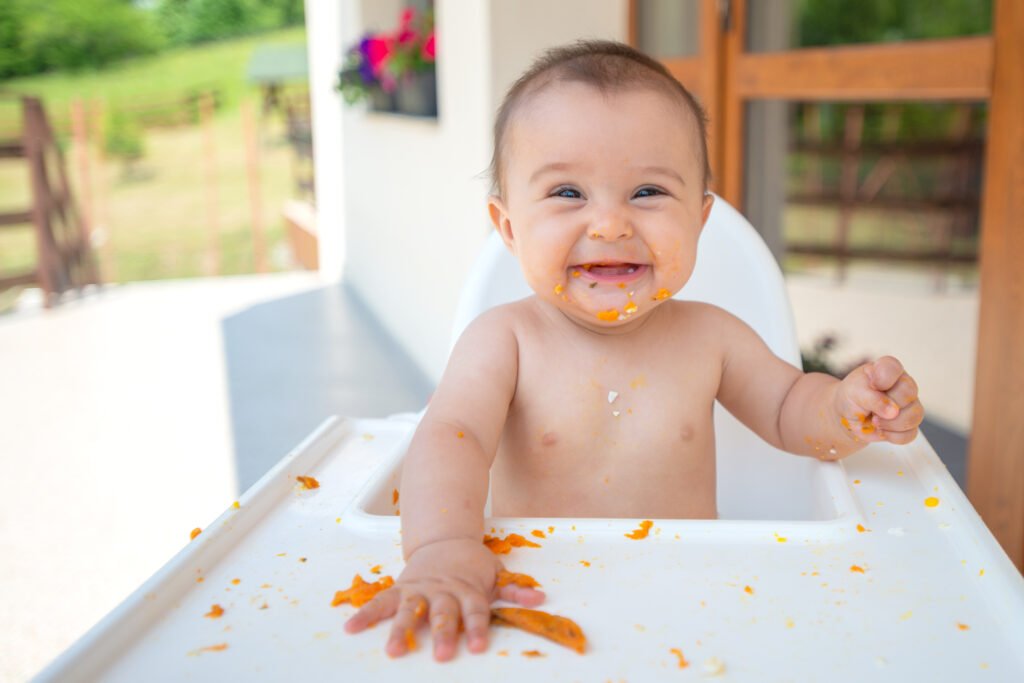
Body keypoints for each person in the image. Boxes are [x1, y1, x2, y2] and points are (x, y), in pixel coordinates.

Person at [344, 39, 924, 662]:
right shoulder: (504, 341)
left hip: (693, 604)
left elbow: (788, 408)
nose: (611, 224)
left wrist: (844, 410)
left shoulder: (712, 337)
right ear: (509, 228)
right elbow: (449, 435)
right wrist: (442, 547)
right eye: (568, 193)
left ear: (699, 220)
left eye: (647, 191)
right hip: (539, 598)